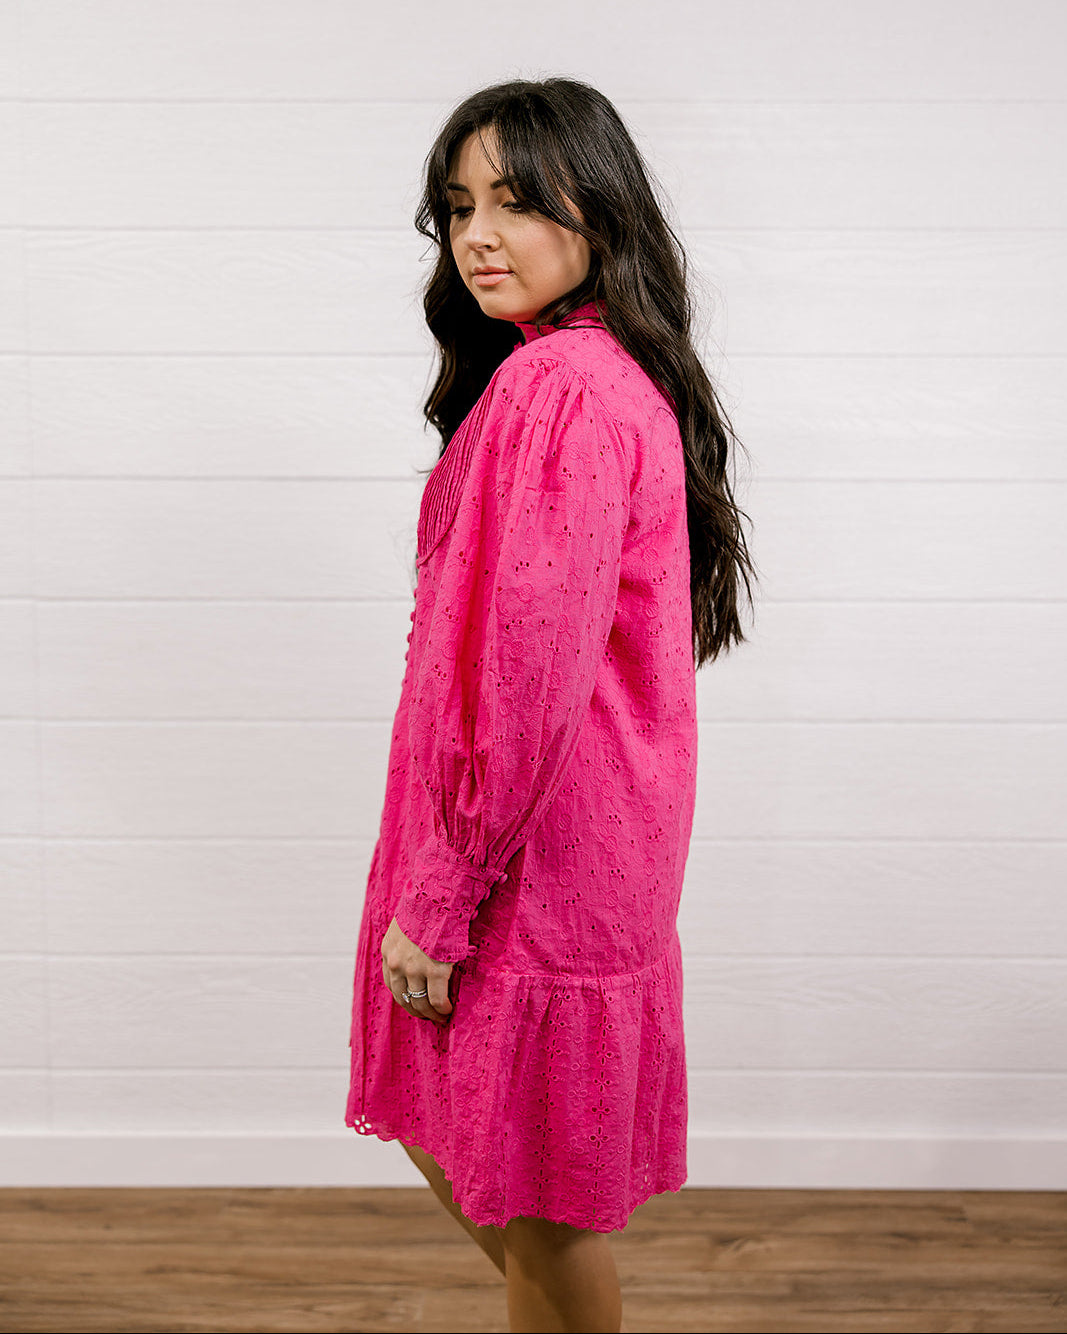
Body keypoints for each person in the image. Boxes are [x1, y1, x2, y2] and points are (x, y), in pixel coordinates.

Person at [345, 76, 756, 1333]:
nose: (476, 234)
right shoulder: (591, 372)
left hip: (533, 862)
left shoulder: (559, 389)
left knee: (536, 1207)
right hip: (567, 847)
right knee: (505, 1178)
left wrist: (441, 885)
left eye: (516, 202)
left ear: (599, 207)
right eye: (457, 206)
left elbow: (525, 673)